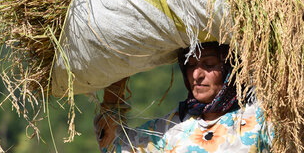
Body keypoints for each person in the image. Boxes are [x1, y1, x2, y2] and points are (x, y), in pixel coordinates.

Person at [94, 42, 272, 152]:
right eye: (191, 65)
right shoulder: (171, 127)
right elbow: (115, 148)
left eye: (208, 65)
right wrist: (114, 88)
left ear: (230, 69)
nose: (197, 75)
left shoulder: (259, 118)